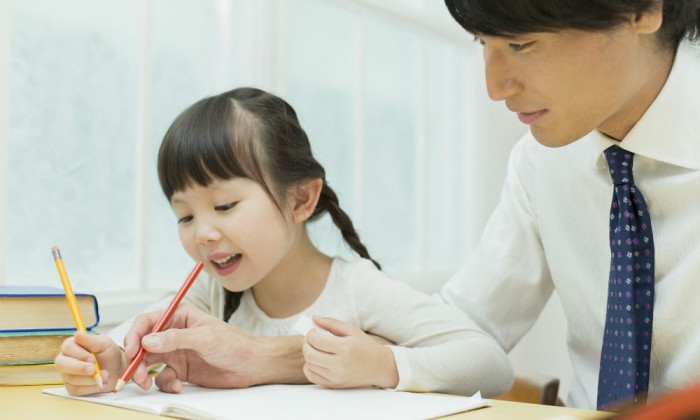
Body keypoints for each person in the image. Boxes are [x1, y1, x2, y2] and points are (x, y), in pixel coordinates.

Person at [54, 87, 513, 398]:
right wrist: (108, 359)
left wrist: (381, 365)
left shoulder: (357, 289)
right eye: (185, 216)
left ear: (300, 199)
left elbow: (490, 364)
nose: (203, 233)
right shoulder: (210, 294)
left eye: (226, 205)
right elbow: (128, 341)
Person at [439, 0, 700, 412]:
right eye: (482, 41)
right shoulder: (540, 162)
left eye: (521, 44)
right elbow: (469, 322)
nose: (495, 87)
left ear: (642, 10)